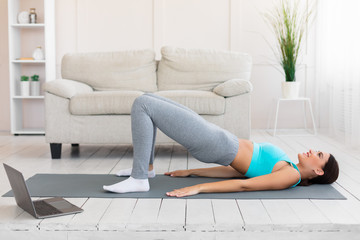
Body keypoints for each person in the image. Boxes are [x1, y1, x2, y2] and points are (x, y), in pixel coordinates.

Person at [103, 93, 339, 197]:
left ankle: (139, 178)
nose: (312, 150)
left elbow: (245, 186)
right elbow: (239, 171)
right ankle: (146, 169)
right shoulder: (288, 165)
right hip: (219, 138)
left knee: (143, 104)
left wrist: (200, 188)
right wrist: (193, 172)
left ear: (319, 170)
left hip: (214, 143)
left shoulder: (290, 176)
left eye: (318, 154)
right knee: (148, 97)